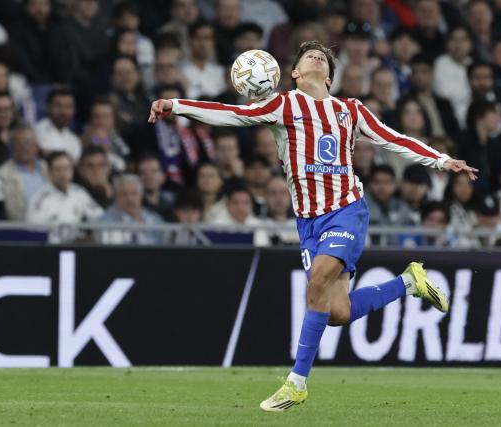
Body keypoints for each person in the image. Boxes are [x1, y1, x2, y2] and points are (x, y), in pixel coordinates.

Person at [149, 40, 477, 410]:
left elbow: (392, 138)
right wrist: (174, 105)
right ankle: (408, 282)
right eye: (309, 56)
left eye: (324, 58)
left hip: (347, 210)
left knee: (318, 280)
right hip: (309, 221)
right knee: (337, 312)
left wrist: (442, 160)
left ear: (330, 77)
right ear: (294, 73)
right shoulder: (282, 105)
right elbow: (230, 113)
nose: (318, 57)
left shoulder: (349, 110)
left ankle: (296, 383)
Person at [26, 151, 103, 227]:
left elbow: (99, 216)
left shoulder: (79, 192)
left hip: (76, 238)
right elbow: (33, 227)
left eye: (66, 168)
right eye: (57, 169)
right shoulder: (40, 197)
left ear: (72, 171)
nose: (62, 174)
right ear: (49, 172)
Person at [0, 125, 47, 220]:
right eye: (18, 143)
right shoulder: (3, 172)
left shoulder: (48, 168)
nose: (23, 147)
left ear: (36, 146)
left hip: (51, 225)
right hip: (20, 227)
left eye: (27, 143)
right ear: (11, 147)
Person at [34, 87, 81, 160]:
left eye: (68, 106)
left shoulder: (74, 140)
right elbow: (44, 154)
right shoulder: (38, 130)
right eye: (58, 106)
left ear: (74, 110)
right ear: (48, 107)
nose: (63, 111)